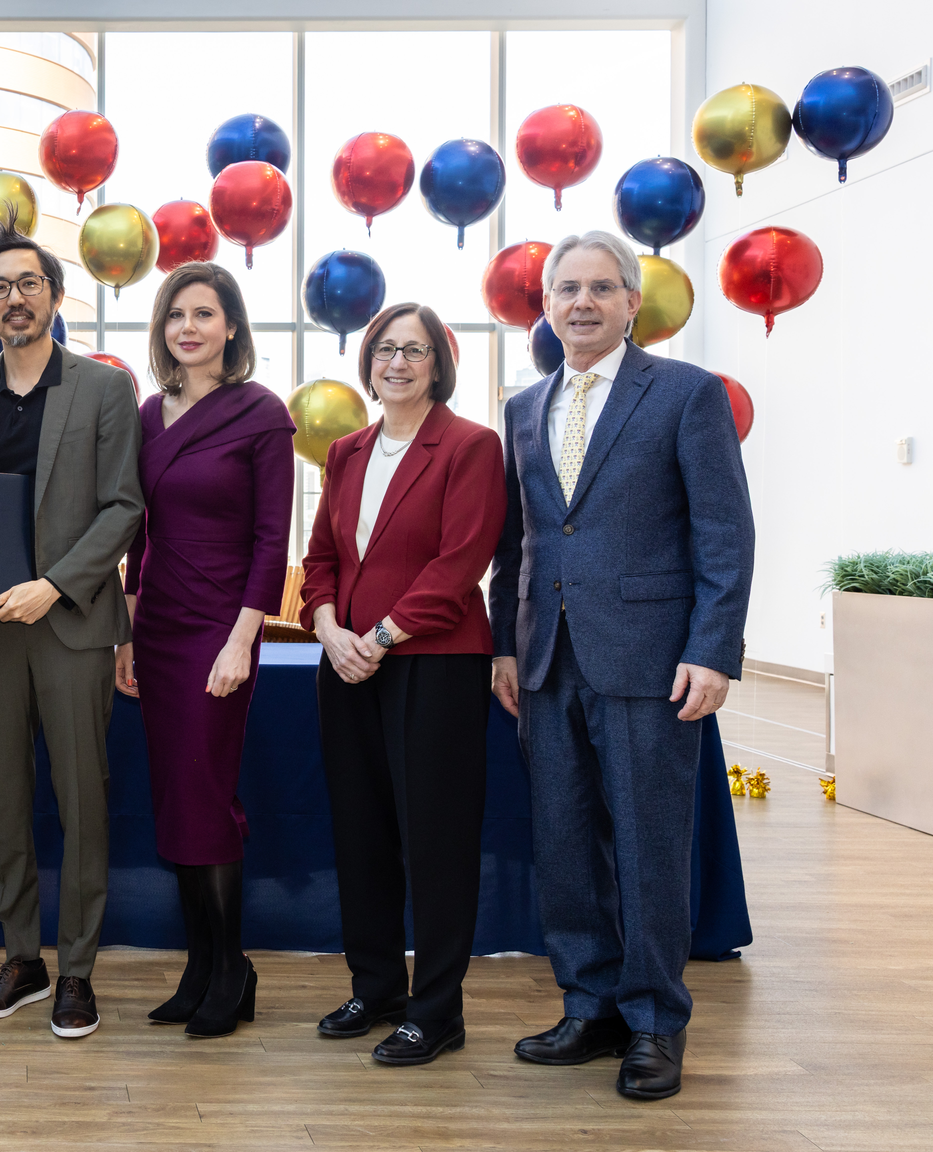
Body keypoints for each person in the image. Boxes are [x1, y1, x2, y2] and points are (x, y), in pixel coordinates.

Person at [490, 231, 754, 1100]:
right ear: (546, 303)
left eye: (603, 288)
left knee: (648, 848)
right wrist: (503, 642)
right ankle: (589, 1003)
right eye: (567, 289)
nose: (583, 303)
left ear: (634, 303)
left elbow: (724, 532)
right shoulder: (523, 408)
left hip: (650, 661)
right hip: (546, 660)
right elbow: (517, 541)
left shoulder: (684, 394)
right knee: (563, 845)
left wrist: (713, 650)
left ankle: (652, 1023)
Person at [0, 216, 143, 1040]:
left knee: (83, 802)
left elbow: (124, 505)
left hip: (73, 623)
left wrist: (53, 586)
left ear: (55, 295)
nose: (14, 299)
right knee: (5, 799)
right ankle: (23, 957)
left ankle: (77, 971)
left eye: (28, 284)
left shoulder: (103, 388)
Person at [297, 303, 506, 1065]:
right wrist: (327, 628)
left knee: (437, 841)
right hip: (345, 660)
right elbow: (321, 557)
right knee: (362, 834)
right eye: (386, 348)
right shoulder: (348, 451)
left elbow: (459, 565)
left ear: (439, 364)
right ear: (368, 360)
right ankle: (377, 984)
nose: (398, 362)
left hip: (433, 662)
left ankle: (437, 1010)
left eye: (415, 351)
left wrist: (380, 636)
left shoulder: (471, 446)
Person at [114, 262, 293, 1038]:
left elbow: (270, 537)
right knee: (174, 797)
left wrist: (242, 640)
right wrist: (126, 629)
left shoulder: (262, 413)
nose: (189, 327)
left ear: (231, 328)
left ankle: (233, 970)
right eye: (176, 315)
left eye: (205, 314)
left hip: (222, 629)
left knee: (207, 794)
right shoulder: (150, 415)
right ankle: (201, 966)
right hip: (157, 627)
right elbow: (137, 530)